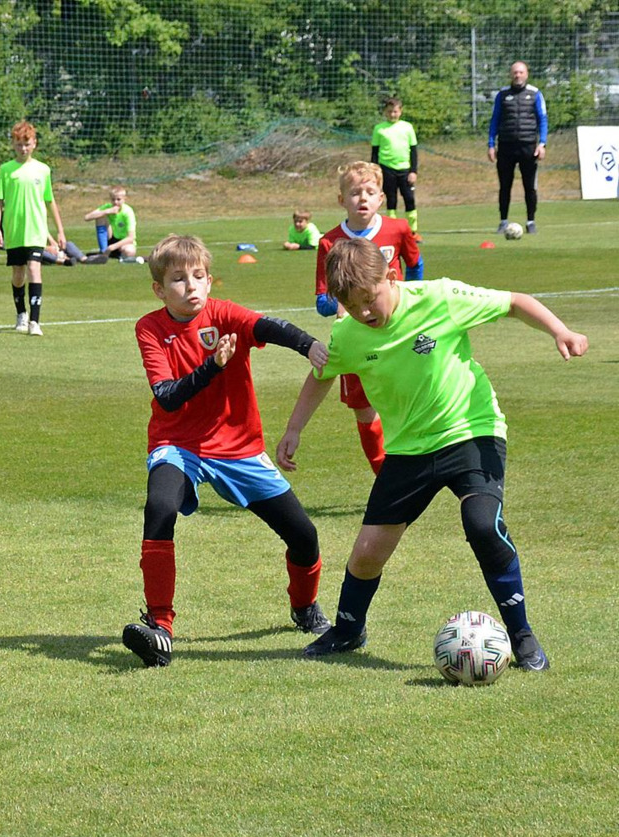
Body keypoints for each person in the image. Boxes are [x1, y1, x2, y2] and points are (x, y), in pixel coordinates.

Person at [276, 238, 588, 667]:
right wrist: (294, 428)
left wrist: (560, 331)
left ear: (392, 276)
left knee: (482, 525)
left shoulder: (441, 297)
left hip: (471, 432)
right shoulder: (348, 334)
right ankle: (348, 630)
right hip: (409, 450)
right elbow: (323, 373)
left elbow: (514, 302)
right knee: (367, 553)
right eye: (352, 305)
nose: (364, 312)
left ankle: (522, 636)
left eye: (370, 299)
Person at [121, 234, 333, 668]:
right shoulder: (150, 328)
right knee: (159, 507)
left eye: (198, 276)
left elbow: (268, 326)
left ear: (209, 280)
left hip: (238, 447)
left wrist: (308, 345)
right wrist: (212, 367)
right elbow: (167, 397)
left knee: (303, 536)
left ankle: (305, 607)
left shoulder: (224, 314)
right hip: (176, 443)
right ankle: (160, 627)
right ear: (159, 289)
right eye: (178, 279)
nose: (191, 286)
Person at [314, 161, 423, 475]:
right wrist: (340, 302)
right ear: (341, 199)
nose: (362, 198)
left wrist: (413, 298)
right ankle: (384, 475)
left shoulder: (398, 229)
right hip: (356, 335)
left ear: (381, 198)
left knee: (410, 399)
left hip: (399, 331)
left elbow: (416, 266)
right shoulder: (329, 242)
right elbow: (322, 300)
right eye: (354, 193)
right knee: (364, 409)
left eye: (370, 192)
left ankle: (418, 462)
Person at [0, 121, 65, 337]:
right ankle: (21, 314)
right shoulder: (6, 170)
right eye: (19, 144)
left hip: (36, 230)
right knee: (18, 273)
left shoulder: (43, 170)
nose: (23, 148)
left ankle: (35, 321)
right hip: (14, 230)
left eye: (27, 144)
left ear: (34, 144)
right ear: (13, 145)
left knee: (34, 268)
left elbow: (49, 201)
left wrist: (60, 231)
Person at [489, 61, 548, 234]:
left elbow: (543, 119)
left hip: (528, 146)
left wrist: (542, 143)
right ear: (511, 74)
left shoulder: (535, 94)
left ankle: (531, 221)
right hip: (506, 146)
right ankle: (503, 221)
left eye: (521, 72)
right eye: (515, 72)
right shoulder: (502, 95)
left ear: (526, 74)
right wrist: (491, 144)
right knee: (504, 186)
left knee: (529, 186)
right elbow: (495, 120)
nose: (518, 75)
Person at [370, 97, 419, 236]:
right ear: (385, 112)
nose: (392, 114)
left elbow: (413, 151)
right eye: (389, 111)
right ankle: (393, 231)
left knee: (409, 198)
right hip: (387, 169)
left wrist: (413, 171)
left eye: (395, 111)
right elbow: (375, 153)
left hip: (405, 170)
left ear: (400, 112)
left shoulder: (407, 127)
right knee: (391, 199)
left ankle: (413, 231)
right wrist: (375, 171)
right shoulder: (379, 129)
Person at [81, 187, 138, 259]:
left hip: (122, 242)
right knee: (100, 216)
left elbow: (131, 237)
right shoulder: (108, 207)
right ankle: (103, 251)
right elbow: (86, 217)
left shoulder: (128, 212)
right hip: (110, 238)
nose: (115, 202)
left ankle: (114, 254)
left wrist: (112, 247)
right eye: (113, 199)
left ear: (124, 199)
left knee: (130, 251)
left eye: (118, 199)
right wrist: (107, 211)